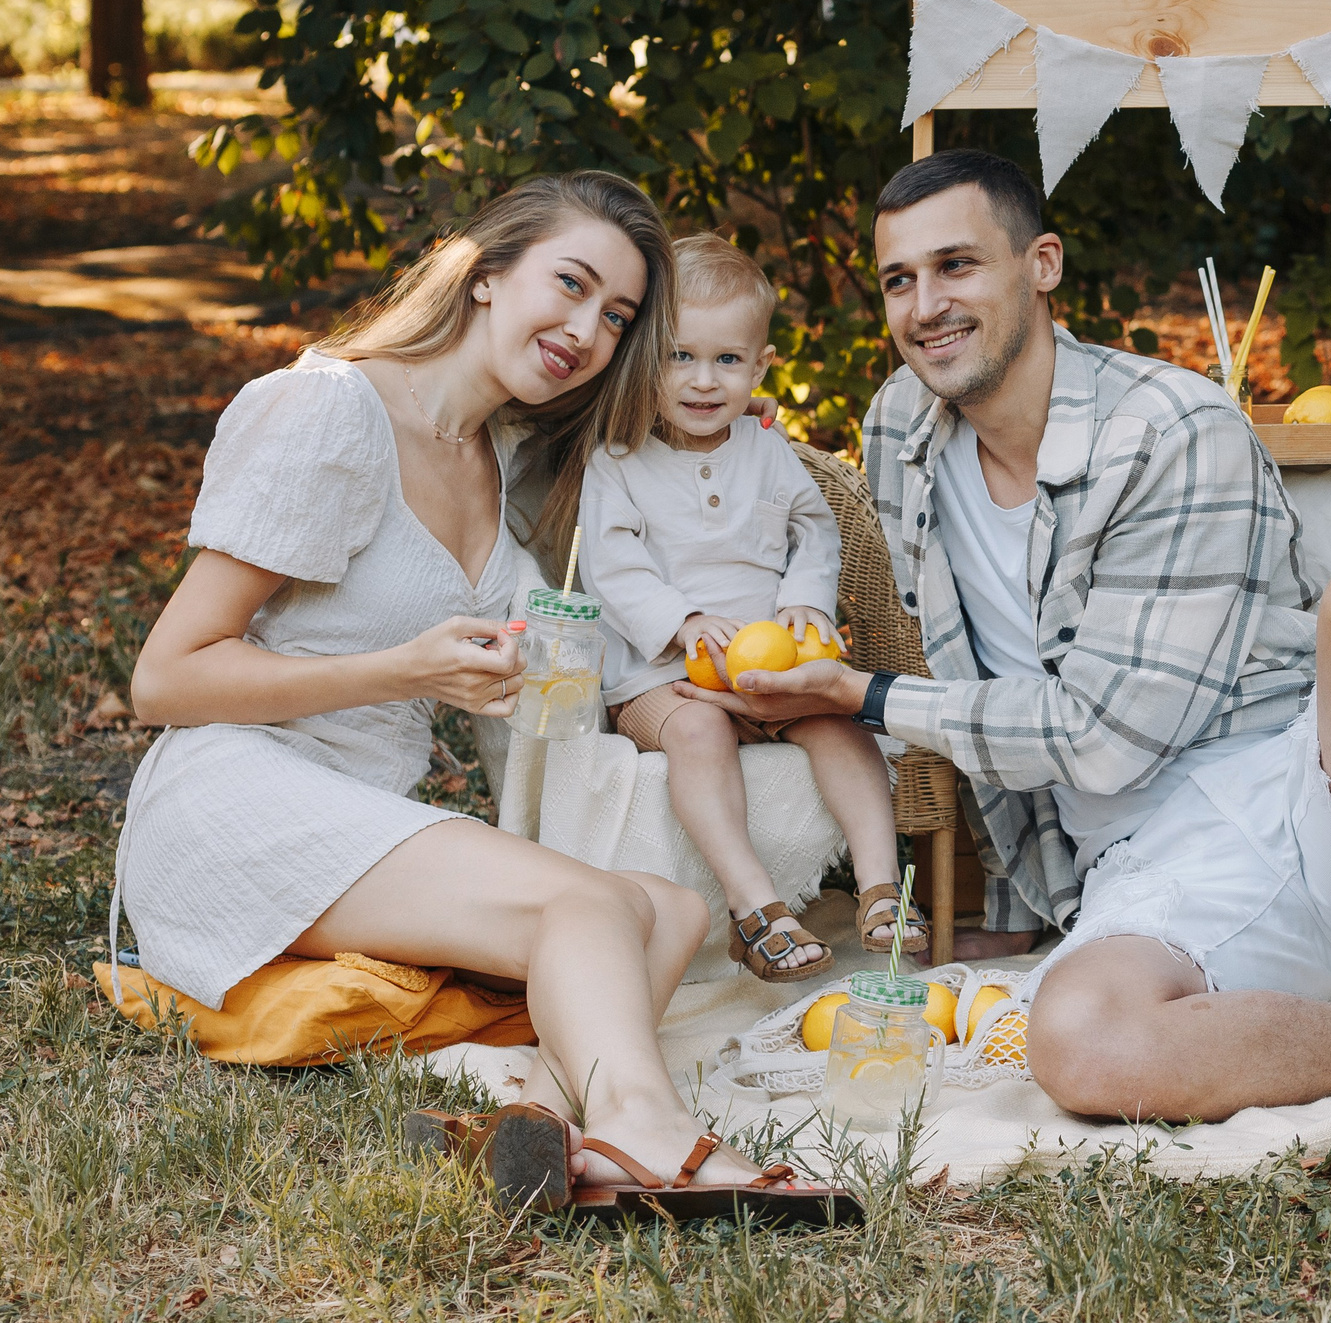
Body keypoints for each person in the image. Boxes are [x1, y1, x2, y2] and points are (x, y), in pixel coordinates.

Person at [689, 149, 1331, 1208]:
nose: (926, 306)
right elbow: (984, 664)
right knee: (1081, 1046)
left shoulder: (1169, 427)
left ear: (1041, 264)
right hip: (1146, 870)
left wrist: (857, 696)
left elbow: (1105, 736)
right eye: (899, 280)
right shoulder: (898, 428)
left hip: (1313, 800)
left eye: (956, 265)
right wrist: (1008, 894)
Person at [118, 173, 853, 1221]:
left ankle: (538, 1116)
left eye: (618, 317)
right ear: (486, 273)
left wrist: (732, 456)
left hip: (365, 814)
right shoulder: (329, 410)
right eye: (570, 283)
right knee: (588, 903)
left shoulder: (508, 457)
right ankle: (645, 1127)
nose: (587, 330)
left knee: (675, 909)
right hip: (236, 795)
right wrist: (403, 671)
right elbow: (167, 677)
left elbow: (609, 607)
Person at [578, 233, 921, 983]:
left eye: (728, 360)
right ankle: (755, 905)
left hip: (767, 668)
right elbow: (610, 564)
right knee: (699, 729)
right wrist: (681, 620)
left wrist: (804, 600)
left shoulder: (766, 446)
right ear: (646, 357)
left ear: (761, 366)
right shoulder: (619, 459)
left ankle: (880, 886)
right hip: (661, 677)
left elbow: (814, 529)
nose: (705, 381)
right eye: (681, 357)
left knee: (839, 719)